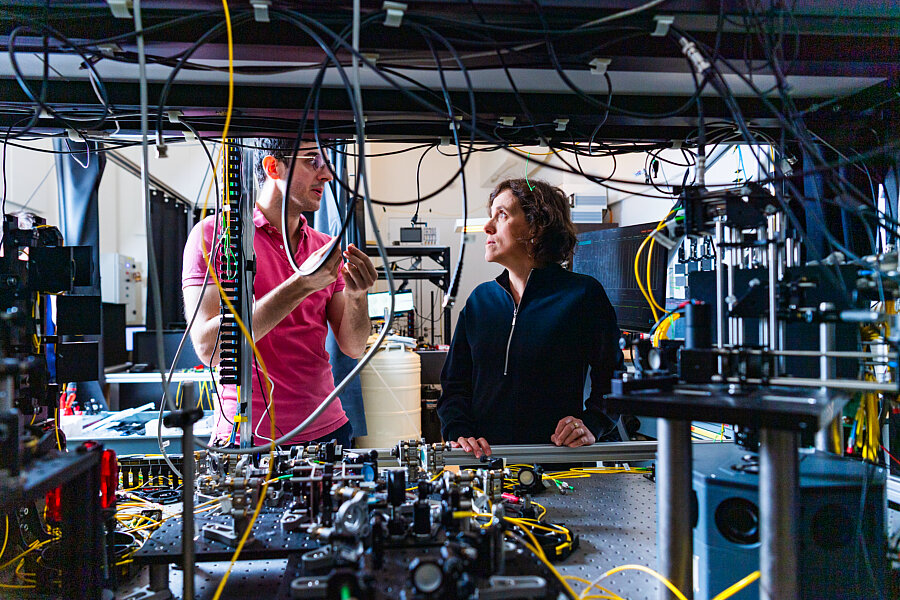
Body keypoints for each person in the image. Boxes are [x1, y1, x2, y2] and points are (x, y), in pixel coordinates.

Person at [182, 138, 377, 448]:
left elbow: (353, 347)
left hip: (326, 430)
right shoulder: (213, 236)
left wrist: (357, 296)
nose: (327, 175)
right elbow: (209, 348)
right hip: (247, 437)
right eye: (313, 161)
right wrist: (301, 285)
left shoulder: (324, 247)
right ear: (273, 167)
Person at [437, 178, 623, 458]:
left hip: (556, 465)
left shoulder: (582, 296)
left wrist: (591, 424)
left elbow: (613, 380)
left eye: (502, 215)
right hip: (484, 466)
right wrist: (460, 432)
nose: (487, 227)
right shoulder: (479, 301)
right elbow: (454, 386)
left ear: (536, 226)